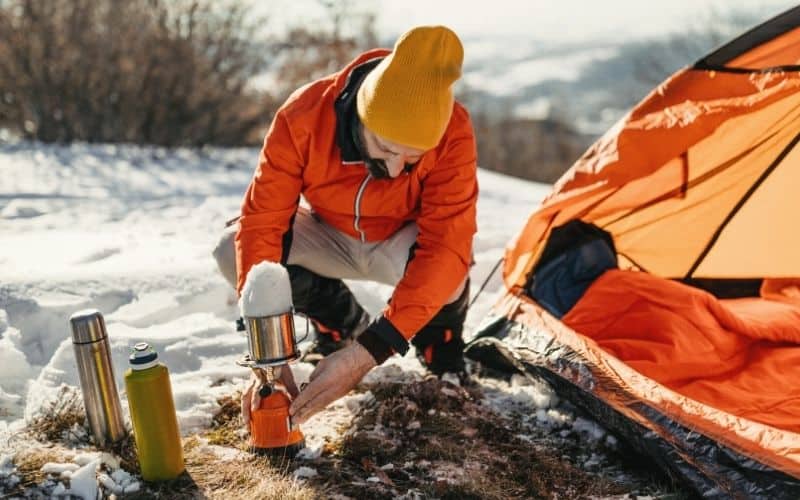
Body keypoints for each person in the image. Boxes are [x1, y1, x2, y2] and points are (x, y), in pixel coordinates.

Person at [212, 25, 477, 425]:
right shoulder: (304, 115)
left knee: (451, 274)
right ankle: (340, 323)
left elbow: (446, 245)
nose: (394, 169)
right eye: (386, 148)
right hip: (328, 235)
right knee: (230, 249)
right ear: (361, 115)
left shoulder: (454, 131)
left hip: (398, 243)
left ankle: (438, 345)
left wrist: (368, 352)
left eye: (412, 159)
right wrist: (268, 356)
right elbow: (263, 223)